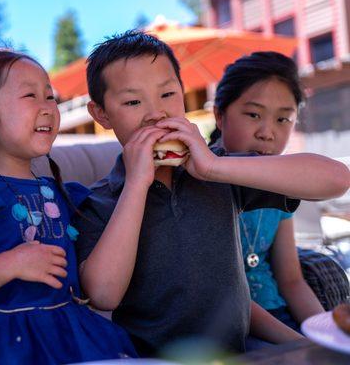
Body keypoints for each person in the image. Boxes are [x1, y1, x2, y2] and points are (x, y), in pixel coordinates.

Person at [72, 30, 350, 357]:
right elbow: (104, 294)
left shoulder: (216, 173)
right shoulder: (98, 200)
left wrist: (213, 167)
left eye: (168, 94)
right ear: (101, 114)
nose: (156, 113)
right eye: (133, 101)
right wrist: (136, 184)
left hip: (235, 352)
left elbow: (337, 178)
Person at [0, 51, 138, 364]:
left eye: (50, 96)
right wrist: (9, 264)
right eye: (30, 95)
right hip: (4, 344)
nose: (48, 108)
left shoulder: (66, 195)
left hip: (74, 335)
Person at [212, 51, 325, 337]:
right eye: (253, 114)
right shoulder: (199, 181)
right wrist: (297, 342)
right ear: (219, 115)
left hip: (281, 316)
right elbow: (222, 293)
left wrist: (328, 333)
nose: (267, 133)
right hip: (226, 329)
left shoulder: (280, 184)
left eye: (283, 120)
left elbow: (291, 280)